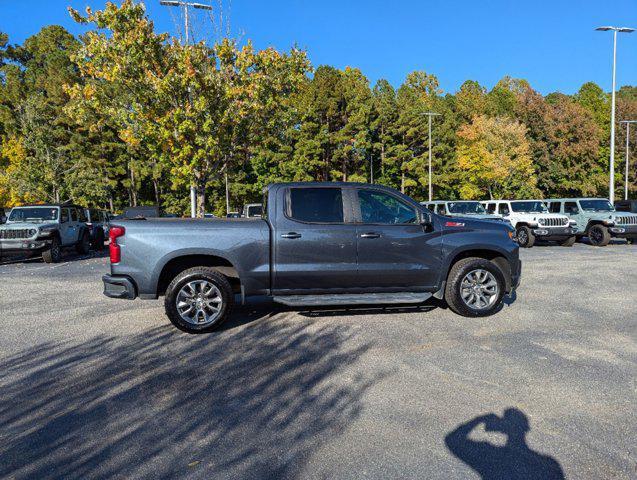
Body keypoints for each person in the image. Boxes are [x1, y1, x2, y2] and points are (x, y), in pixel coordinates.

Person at [445, 408, 564, 480]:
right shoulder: (548, 464)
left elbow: (452, 440)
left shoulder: (490, 456)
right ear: (526, 428)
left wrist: (480, 419)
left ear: (500, 429)